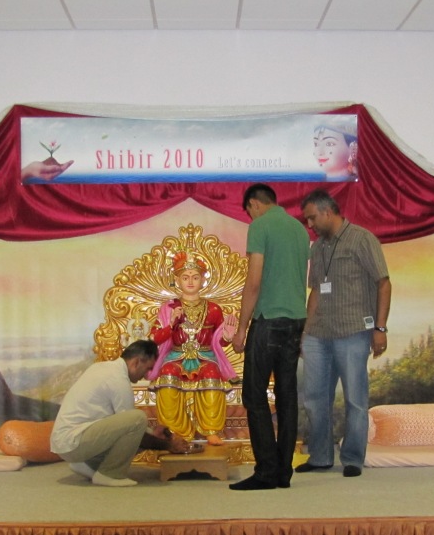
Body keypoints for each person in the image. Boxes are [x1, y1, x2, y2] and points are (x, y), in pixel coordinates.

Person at [298, 189, 391, 478]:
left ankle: (352, 458)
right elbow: (315, 290)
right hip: (318, 333)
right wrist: (305, 332)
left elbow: (383, 284)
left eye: (312, 218)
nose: (310, 225)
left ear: (328, 212)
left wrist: (380, 328)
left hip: (353, 331)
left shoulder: (362, 239)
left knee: (354, 398)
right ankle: (321, 456)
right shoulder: (318, 248)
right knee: (314, 397)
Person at [228, 184, 310, 491]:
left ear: (253, 204)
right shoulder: (300, 231)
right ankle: (283, 472)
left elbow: (254, 281)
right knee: (287, 398)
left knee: (254, 395)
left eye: (249, 211)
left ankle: (265, 471)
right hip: (295, 321)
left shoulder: (260, 226)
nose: (250, 216)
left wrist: (241, 328)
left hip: (268, 321)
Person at [50, 340, 192, 487]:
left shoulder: (103, 368)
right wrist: (168, 445)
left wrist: (154, 433)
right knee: (138, 418)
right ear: (137, 362)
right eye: (147, 369)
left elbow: (125, 427)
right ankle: (109, 474)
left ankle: (88, 465)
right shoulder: (117, 379)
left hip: (68, 442)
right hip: (73, 442)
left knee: (137, 425)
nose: (145, 376)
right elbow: (134, 426)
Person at [148, 251, 239, 445]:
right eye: (185, 277)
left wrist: (227, 337)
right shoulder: (169, 307)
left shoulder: (213, 308)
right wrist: (170, 324)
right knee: (167, 373)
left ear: (203, 281)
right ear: (177, 280)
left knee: (212, 373)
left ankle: (210, 429)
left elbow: (218, 341)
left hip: (205, 356)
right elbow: (154, 338)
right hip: (176, 356)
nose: (190, 282)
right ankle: (174, 430)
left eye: (195, 277)